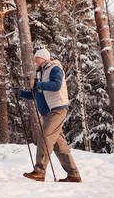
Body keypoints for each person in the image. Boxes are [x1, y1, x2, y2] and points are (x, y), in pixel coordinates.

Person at [15, 48, 82, 182]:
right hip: (48, 113)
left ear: (44, 58)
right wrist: (21, 93)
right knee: (59, 145)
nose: (35, 61)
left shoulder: (55, 69)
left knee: (45, 138)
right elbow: (36, 94)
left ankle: (39, 171)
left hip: (57, 109)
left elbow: (56, 85)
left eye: (37, 58)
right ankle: (73, 174)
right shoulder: (41, 73)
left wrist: (37, 84)